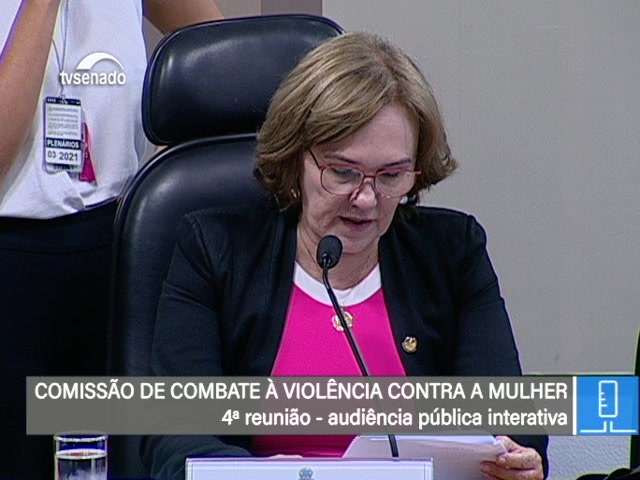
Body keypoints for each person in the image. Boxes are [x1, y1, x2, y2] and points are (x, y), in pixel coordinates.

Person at [142, 32, 548, 480]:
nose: (366, 199)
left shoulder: (452, 254)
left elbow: (510, 420)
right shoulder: (215, 251)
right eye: (343, 172)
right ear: (295, 158)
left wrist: (518, 459)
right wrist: (254, 474)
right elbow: (173, 437)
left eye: (391, 176)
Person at [0, 1, 223, 479]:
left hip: (115, 247)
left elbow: (223, 55)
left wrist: (164, 172)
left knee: (114, 459)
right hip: (11, 260)